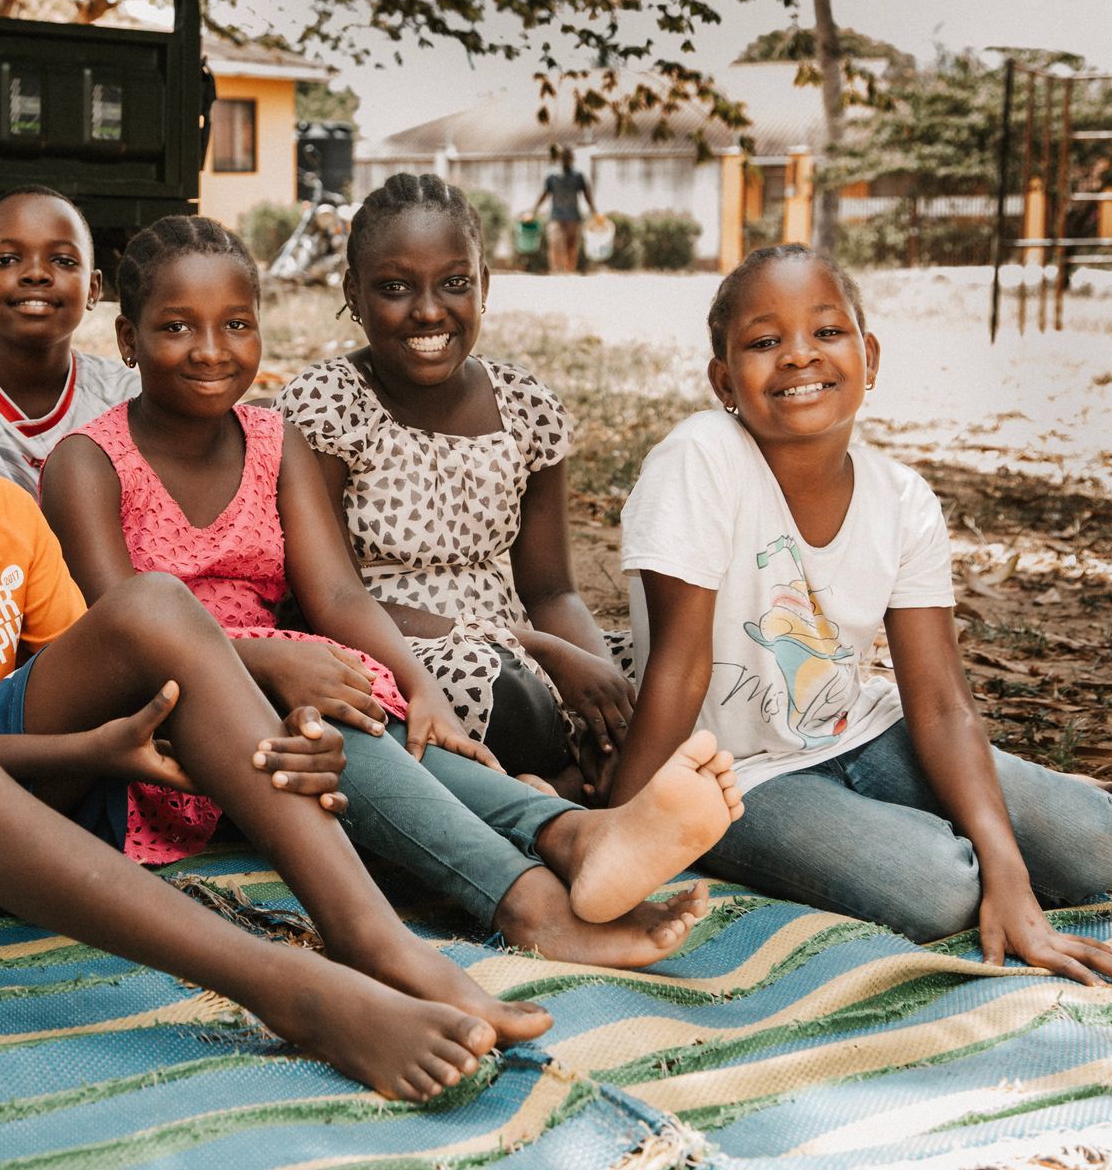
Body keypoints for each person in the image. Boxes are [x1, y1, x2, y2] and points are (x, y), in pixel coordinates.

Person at [0, 228, 559, 1101]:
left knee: (155, 607)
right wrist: (91, 755)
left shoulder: (2, 507)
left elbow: (115, 680)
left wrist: (259, 737)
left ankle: (374, 939)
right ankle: (290, 991)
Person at [43, 215, 742, 962]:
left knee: (368, 712)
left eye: (237, 324)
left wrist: (417, 688)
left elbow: (338, 597)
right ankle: (531, 903)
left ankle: (573, 834)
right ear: (126, 340)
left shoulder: (277, 444)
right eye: (178, 326)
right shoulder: (87, 464)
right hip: (158, 724)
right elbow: (123, 632)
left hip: (276, 699)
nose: (212, 350)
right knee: (320, 714)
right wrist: (271, 664)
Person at [615, 244, 1112, 985]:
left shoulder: (902, 499)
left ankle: (989, 817)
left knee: (1097, 844)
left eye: (826, 333)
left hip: (858, 729)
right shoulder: (701, 457)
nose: (799, 356)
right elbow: (678, 666)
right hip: (735, 772)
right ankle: (886, 838)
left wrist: (1011, 871)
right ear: (724, 380)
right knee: (938, 887)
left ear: (869, 357)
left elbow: (939, 700)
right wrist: (622, 830)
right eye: (765, 342)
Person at [279, 173, 632, 802]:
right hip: (398, 647)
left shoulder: (526, 406)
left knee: (646, 678)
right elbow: (329, 597)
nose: (429, 310)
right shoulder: (325, 406)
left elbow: (551, 589)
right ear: (352, 294)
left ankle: (566, 781)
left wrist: (597, 681)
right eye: (394, 288)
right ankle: (569, 792)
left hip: (525, 634)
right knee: (499, 691)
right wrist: (541, 652)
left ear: (484, 286)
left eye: (455, 283)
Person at [0, 185, 137, 497]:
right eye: (6, 259)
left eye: (62, 260)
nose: (36, 274)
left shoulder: (130, 399)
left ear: (93, 288)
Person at [527, 145, 598, 275]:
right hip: (556, 217)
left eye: (568, 158)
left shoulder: (578, 176)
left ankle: (569, 272)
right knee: (555, 244)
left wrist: (595, 212)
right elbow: (544, 194)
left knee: (571, 247)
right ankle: (556, 271)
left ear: (572, 159)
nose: (566, 160)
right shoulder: (552, 176)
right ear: (560, 159)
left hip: (573, 217)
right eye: (563, 158)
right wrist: (533, 210)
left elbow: (587, 195)